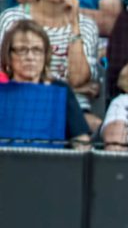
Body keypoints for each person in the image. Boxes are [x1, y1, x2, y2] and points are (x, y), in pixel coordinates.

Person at [0, 0, 101, 128]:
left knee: (96, 125)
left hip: (74, 110)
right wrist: (71, 89)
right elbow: (5, 71)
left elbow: (78, 79)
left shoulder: (86, 26)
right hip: (20, 101)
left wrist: (74, 24)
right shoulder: (12, 19)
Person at [0, 18, 90, 147]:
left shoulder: (61, 91)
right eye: (21, 50)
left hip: (50, 165)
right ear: (8, 55)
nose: (30, 57)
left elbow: (81, 141)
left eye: (37, 50)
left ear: (46, 54)